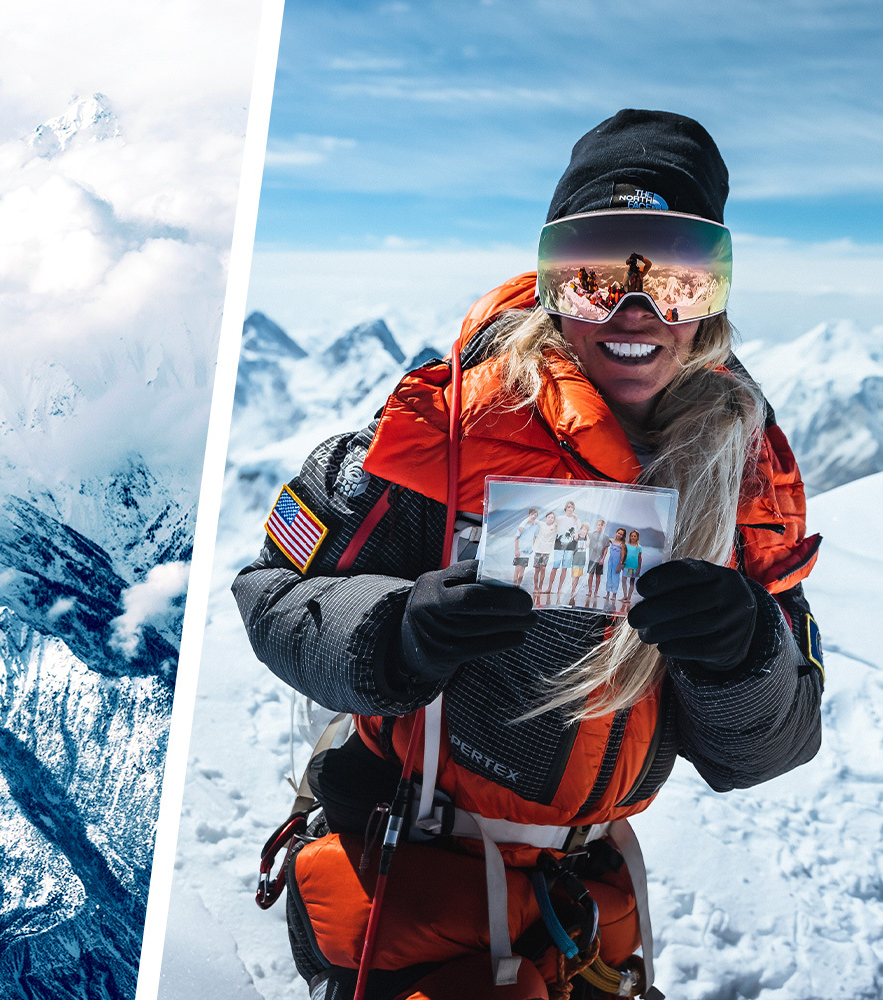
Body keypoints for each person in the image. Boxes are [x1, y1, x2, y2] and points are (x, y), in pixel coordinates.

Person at [235, 110, 822, 1000]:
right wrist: (392, 636)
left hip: (583, 907)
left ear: (715, 297)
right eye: (592, 273)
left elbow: (768, 751)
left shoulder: (743, 482)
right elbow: (269, 591)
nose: (635, 310)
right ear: (549, 284)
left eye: (674, 275)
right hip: (405, 880)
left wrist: (748, 655)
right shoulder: (443, 436)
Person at [512, 507, 541, 588]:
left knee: (523, 569)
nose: (534, 516)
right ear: (529, 515)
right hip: (520, 549)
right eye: (532, 514)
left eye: (536, 515)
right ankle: (514, 586)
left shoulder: (536, 527)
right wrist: (516, 550)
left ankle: (518, 586)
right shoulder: (522, 526)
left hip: (528, 551)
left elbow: (535, 537)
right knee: (517, 568)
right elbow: (516, 538)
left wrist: (533, 548)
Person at [602, 527, 627, 613]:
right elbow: (604, 538)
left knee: (615, 578)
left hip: (617, 562)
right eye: (618, 533)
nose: (619, 535)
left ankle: (614, 594)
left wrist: (620, 565)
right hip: (610, 561)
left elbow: (622, 555)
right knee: (609, 576)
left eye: (621, 534)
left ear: (623, 536)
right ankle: (608, 593)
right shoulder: (612, 541)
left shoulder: (622, 544)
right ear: (616, 533)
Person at [621, 529, 644, 610]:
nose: (633, 537)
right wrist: (622, 564)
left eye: (635, 536)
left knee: (631, 582)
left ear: (637, 537)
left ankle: (629, 598)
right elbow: (623, 556)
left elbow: (639, 558)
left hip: (634, 567)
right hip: (627, 566)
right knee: (623, 580)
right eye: (632, 536)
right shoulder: (626, 545)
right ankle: (625, 595)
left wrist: (639, 568)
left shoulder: (639, 547)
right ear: (630, 537)